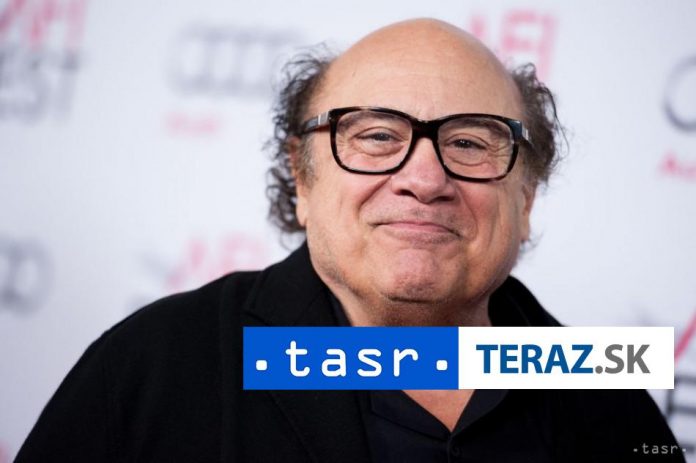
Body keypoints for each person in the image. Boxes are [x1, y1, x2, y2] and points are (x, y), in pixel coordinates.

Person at [16, 19, 683, 462]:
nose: (425, 179)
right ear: (302, 181)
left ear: (526, 198)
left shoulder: (612, 409)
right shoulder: (153, 369)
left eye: (469, 143)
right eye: (377, 136)